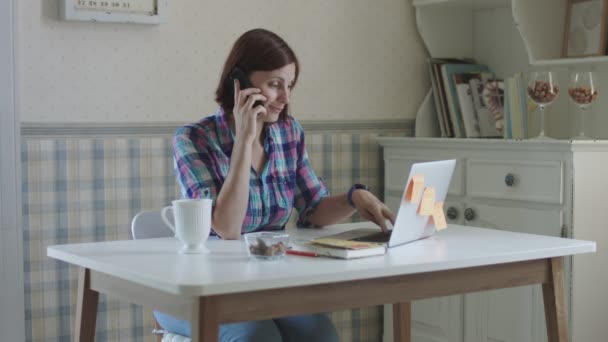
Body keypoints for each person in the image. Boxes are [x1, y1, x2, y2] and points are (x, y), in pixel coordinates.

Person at [158, 28, 396, 342]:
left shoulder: (288, 133)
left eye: (290, 85)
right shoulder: (193, 139)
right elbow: (227, 227)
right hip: (199, 290)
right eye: (274, 84)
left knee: (321, 334)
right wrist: (244, 140)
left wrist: (355, 196)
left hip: (265, 285)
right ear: (240, 83)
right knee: (259, 337)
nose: (286, 97)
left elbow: (313, 209)